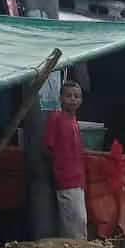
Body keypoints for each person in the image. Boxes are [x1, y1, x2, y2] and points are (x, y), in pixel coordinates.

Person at [43, 79, 88, 238]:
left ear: (81, 100)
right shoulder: (57, 118)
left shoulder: (74, 121)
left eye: (76, 96)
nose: (73, 99)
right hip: (66, 179)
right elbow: (48, 148)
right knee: (73, 225)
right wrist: (59, 169)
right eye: (68, 96)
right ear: (61, 98)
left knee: (79, 223)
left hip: (78, 180)